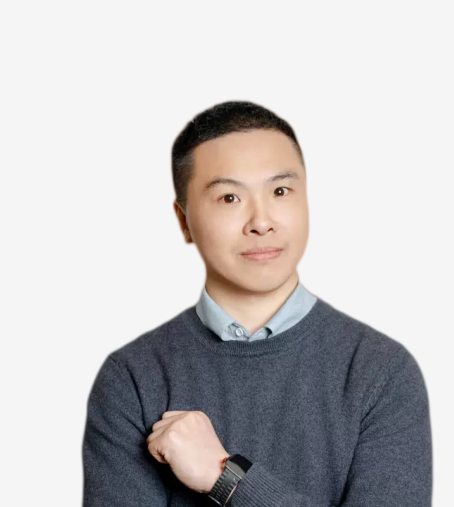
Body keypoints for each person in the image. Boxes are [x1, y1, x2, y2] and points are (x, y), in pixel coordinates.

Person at [82, 101, 432, 506]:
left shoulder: (381, 372)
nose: (261, 222)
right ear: (184, 220)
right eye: (229, 197)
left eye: (280, 191)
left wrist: (224, 476)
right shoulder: (133, 379)